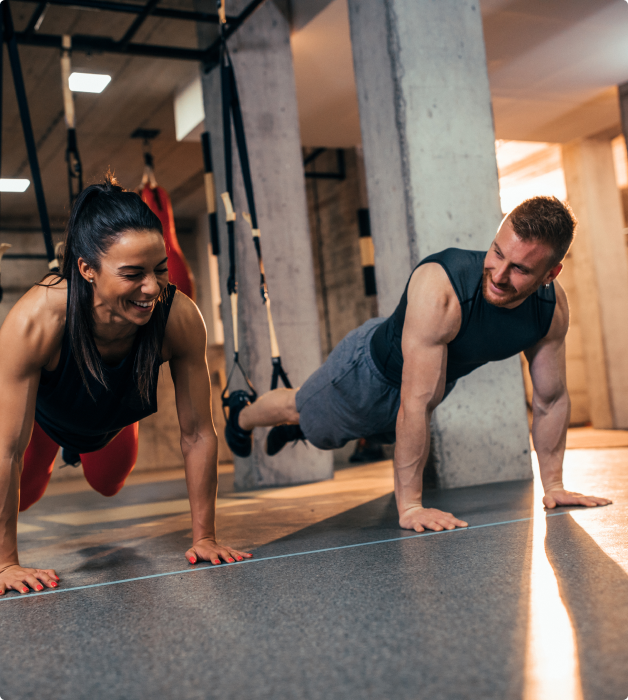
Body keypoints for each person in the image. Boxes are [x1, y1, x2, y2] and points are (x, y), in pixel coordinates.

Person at [225, 196, 612, 532]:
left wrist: (555, 486)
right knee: (303, 409)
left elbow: (551, 400)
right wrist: (410, 507)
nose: (499, 274)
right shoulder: (442, 287)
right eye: (497, 252)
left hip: (425, 382)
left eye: (521, 269)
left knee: (340, 429)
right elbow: (414, 403)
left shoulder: (550, 310)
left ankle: (304, 429)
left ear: (551, 273)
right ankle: (242, 415)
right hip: (367, 372)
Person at [0, 177, 251, 596]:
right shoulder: (36, 320)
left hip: (112, 418)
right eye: (133, 274)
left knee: (109, 483)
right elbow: (5, 450)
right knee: (24, 496)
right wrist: (5, 562)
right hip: (44, 421)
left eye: (160, 269)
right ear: (86, 269)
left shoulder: (178, 316)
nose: (152, 287)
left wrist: (204, 536)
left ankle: (88, 443)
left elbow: (198, 433)